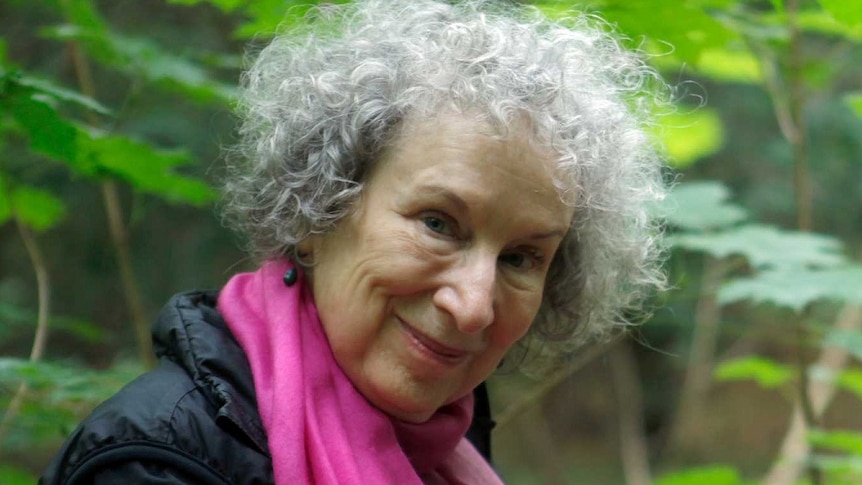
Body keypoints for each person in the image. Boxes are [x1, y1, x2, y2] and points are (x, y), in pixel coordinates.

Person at [41, 0, 668, 483]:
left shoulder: (450, 441)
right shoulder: (154, 460)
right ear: (320, 207)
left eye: (520, 258)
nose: (474, 305)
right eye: (438, 224)